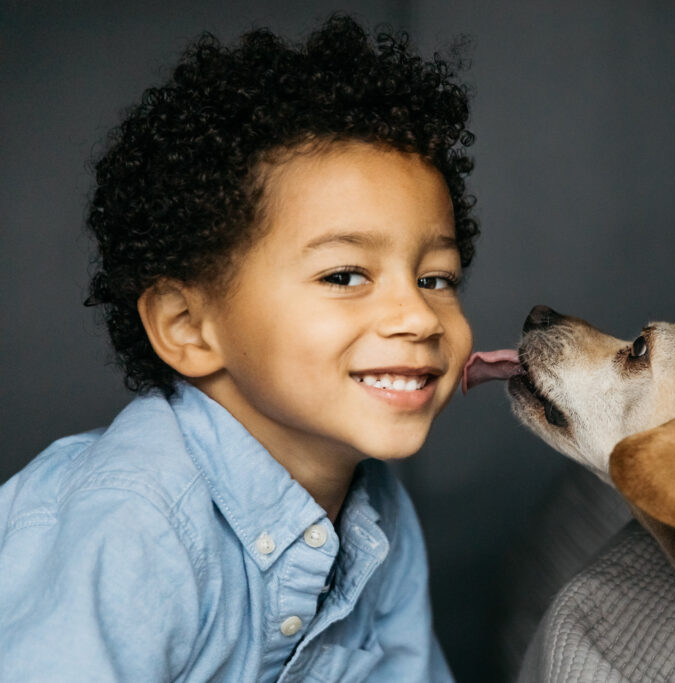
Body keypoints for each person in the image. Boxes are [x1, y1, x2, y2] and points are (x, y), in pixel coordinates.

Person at [0, 14, 475, 681]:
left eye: (436, 278)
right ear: (188, 325)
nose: (419, 315)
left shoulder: (381, 519)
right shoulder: (135, 520)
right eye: (344, 275)